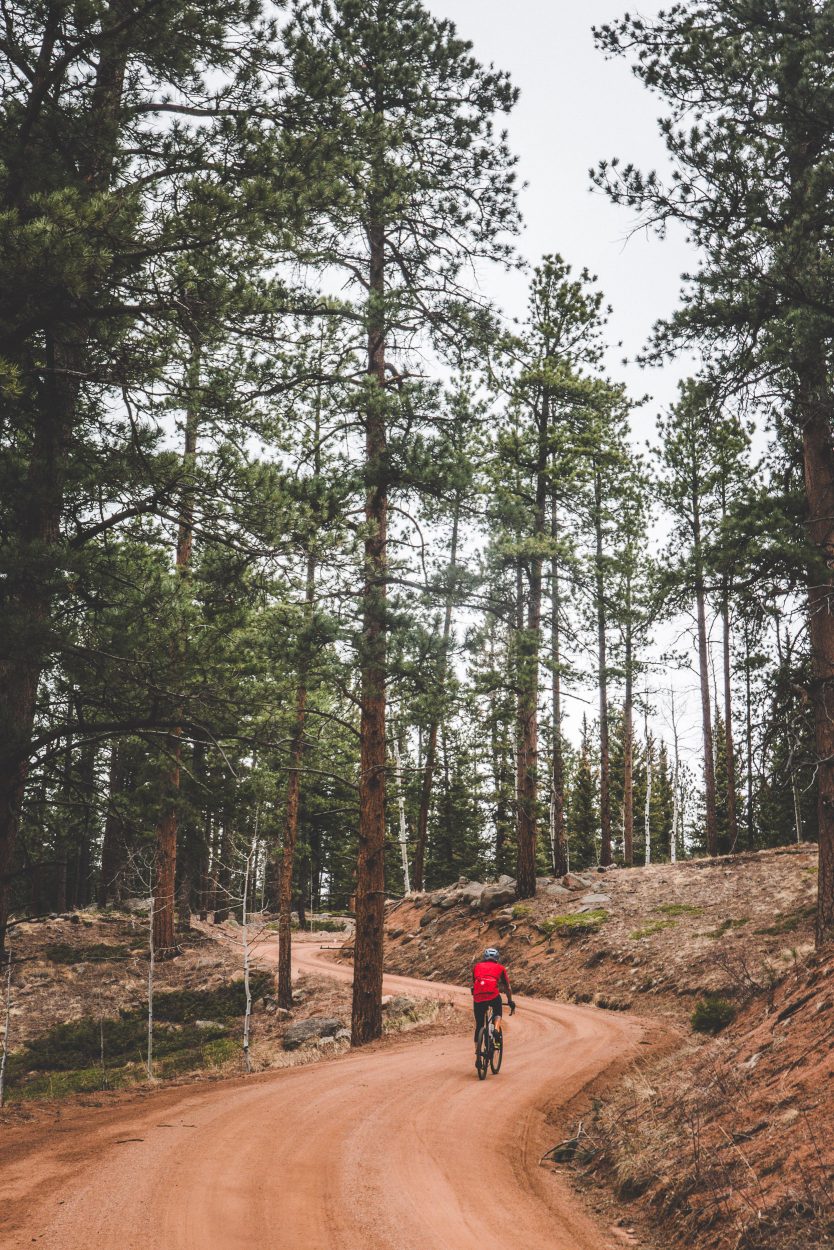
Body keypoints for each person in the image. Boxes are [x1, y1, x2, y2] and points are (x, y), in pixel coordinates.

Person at [471, 946, 515, 1060]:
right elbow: (507, 987)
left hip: (478, 997)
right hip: (493, 995)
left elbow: (474, 983)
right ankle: (495, 1028)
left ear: (484, 957)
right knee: (497, 1011)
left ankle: (478, 1053)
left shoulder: (477, 966)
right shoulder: (500, 968)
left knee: (479, 1024)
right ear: (497, 958)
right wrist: (510, 1001)